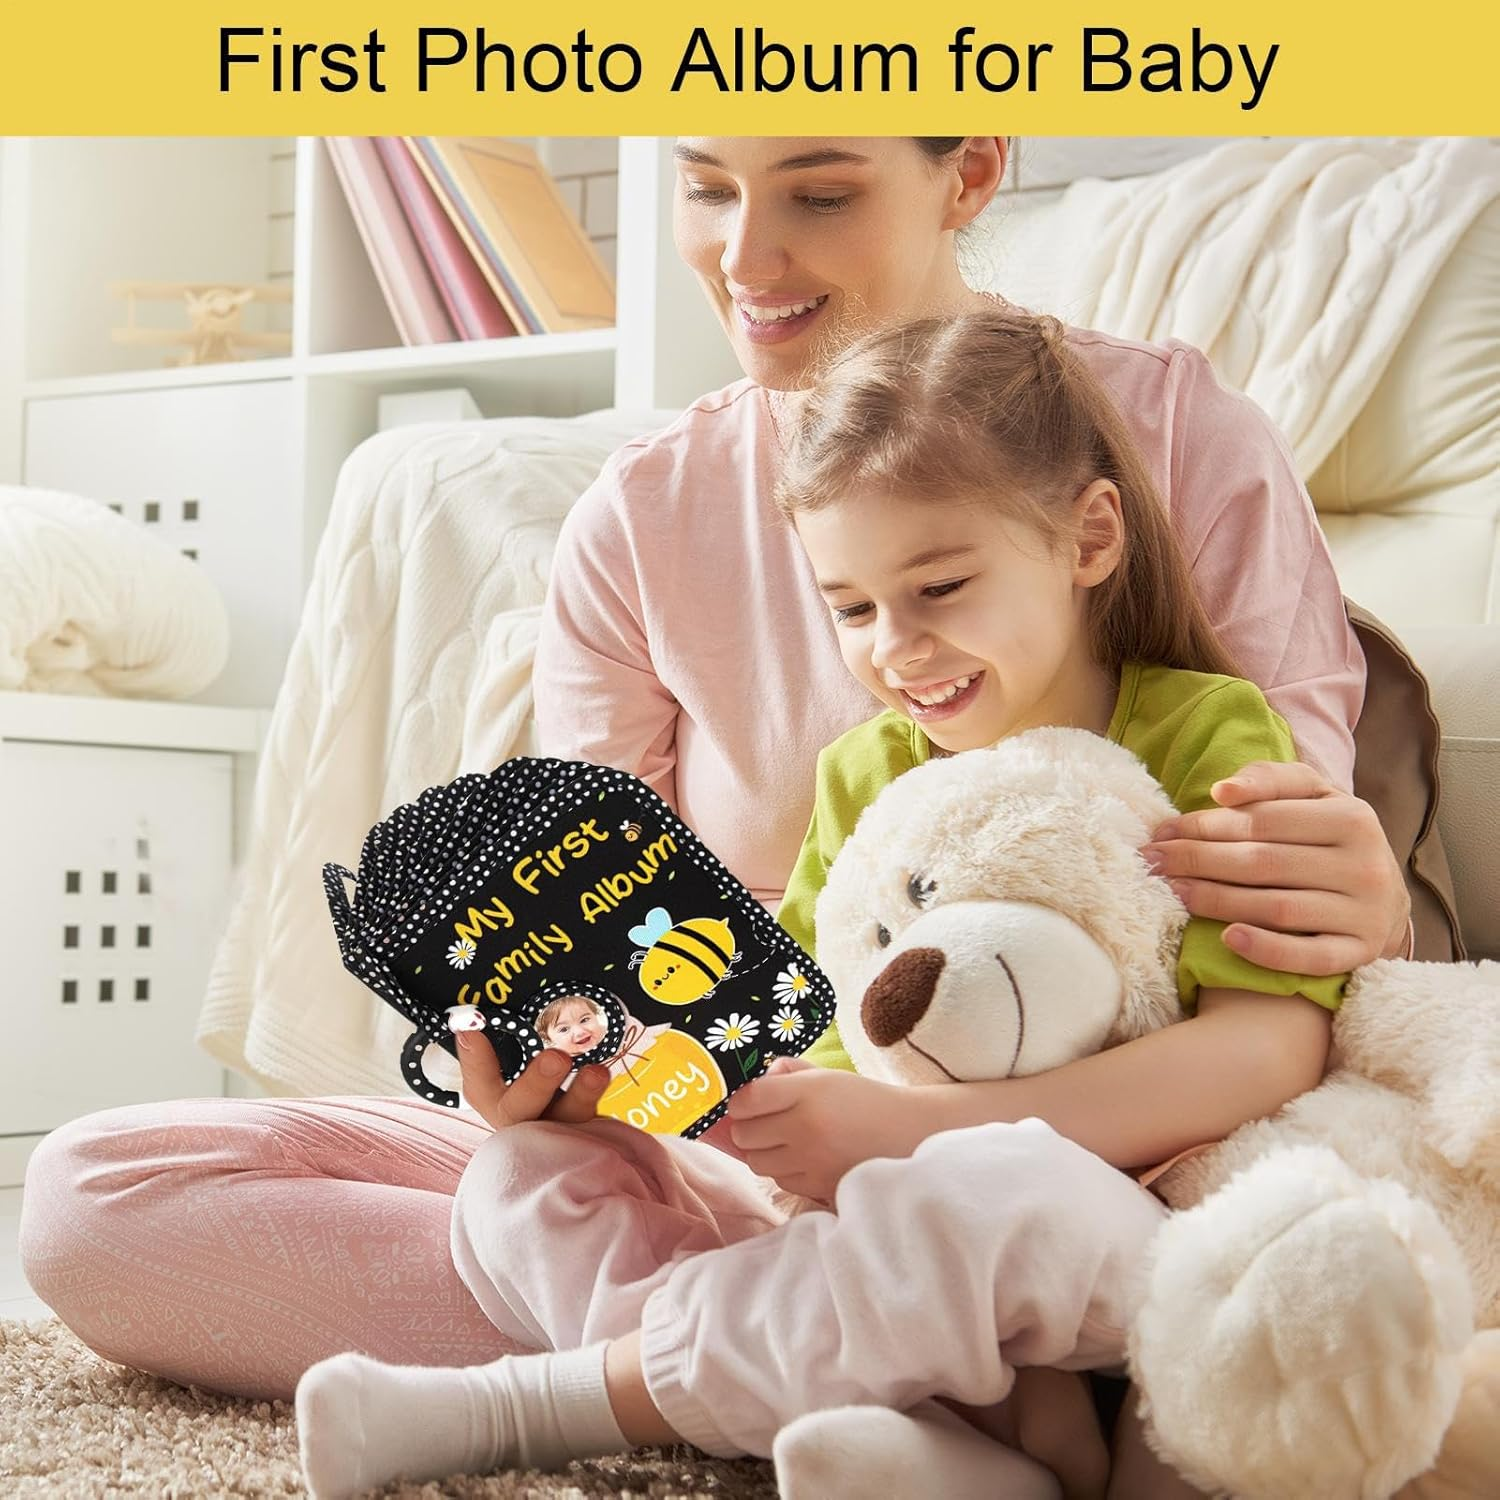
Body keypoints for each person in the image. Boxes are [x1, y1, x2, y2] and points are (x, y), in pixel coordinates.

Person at [19, 139, 1411, 1483]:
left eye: (819, 189)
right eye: (701, 187)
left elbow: (1286, 973)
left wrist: (1361, 894)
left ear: (970, 171)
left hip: (1126, 1177)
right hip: (789, 1163)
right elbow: (683, 980)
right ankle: (865, 1373)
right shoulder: (651, 534)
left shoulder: (1172, 438)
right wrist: (563, 1065)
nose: (746, 256)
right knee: (99, 1197)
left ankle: (651, 1381)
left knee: (1090, 1232)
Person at [293, 309, 1350, 1500]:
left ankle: (553, 1403)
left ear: (1089, 536)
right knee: (521, 1181)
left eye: (940, 586)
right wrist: (617, 1103)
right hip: (897, 1241)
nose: (898, 648)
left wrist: (916, 1141)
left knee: (983, 1198)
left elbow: (1275, 1045)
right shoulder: (865, 779)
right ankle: (977, 1455)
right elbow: (826, 1057)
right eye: (850, 608)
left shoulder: (1206, 735)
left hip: (1126, 1234)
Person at [536, 995, 608, 1058]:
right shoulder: (557, 1061)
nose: (579, 1032)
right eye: (564, 1029)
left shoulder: (609, 1036)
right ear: (548, 1039)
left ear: (595, 1015)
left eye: (584, 1020)